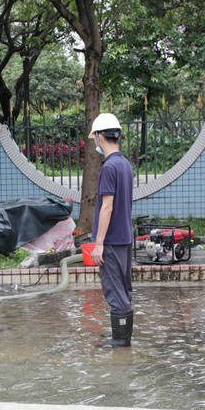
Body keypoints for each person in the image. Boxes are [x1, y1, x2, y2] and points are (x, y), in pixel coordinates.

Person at [88, 113, 134, 348]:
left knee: (115, 291)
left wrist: (99, 243)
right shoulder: (125, 164)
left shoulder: (109, 167)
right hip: (125, 238)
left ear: (99, 137)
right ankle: (122, 336)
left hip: (112, 240)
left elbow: (107, 207)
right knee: (124, 289)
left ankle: (120, 343)